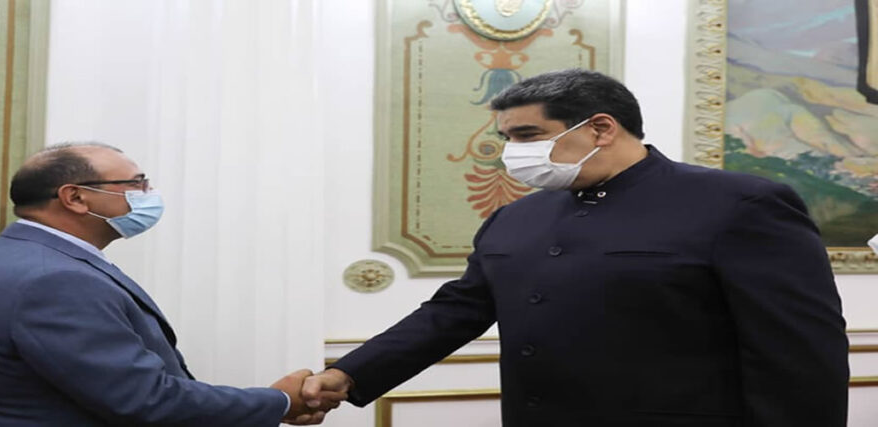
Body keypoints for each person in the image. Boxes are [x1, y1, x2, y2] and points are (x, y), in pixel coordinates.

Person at [303, 69, 849, 426]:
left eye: (526, 136)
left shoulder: (740, 204)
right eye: (507, 138)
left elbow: (799, 355)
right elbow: (454, 311)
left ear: (601, 129)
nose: (510, 152)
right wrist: (349, 375)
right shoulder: (516, 217)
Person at [0, 142, 342, 426]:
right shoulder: (54, 279)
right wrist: (279, 401)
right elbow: (144, 400)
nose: (149, 194)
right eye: (136, 184)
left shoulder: (10, 255)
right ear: (76, 198)